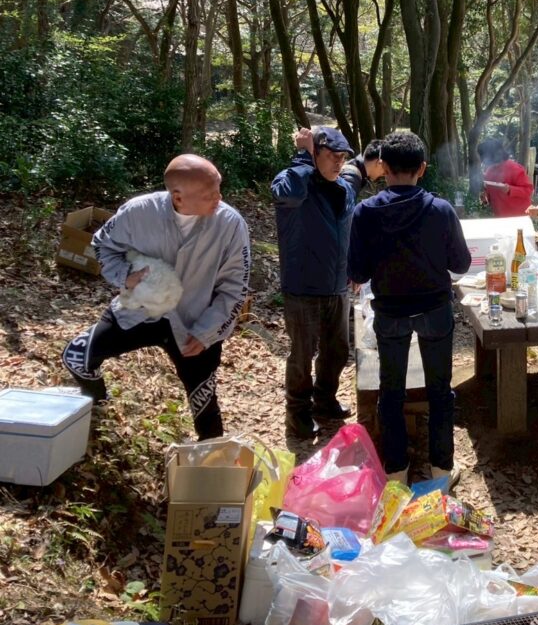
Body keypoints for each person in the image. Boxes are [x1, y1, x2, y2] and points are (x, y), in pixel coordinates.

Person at [62, 155, 250, 441]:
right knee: (76, 358)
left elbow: (235, 287)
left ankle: (210, 458)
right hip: (137, 311)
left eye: (219, 189)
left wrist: (207, 332)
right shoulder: (138, 212)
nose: (219, 198)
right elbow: (101, 244)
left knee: (204, 403)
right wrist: (124, 276)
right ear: (178, 197)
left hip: (193, 322)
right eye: (209, 194)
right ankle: (99, 412)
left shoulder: (230, 224)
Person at [348, 131, 471, 486]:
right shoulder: (440, 210)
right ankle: (441, 471)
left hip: (390, 313)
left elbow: (357, 272)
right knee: (440, 391)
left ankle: (396, 472)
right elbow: (461, 264)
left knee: (391, 393)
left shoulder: (365, 213)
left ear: (383, 167)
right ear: (422, 168)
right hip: (434, 310)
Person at [272, 127, 358, 440]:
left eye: (343, 157)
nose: (338, 162)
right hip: (303, 287)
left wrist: (353, 268)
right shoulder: (293, 180)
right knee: (302, 354)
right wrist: (302, 156)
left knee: (338, 350)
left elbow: (347, 231)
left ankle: (325, 400)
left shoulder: (344, 188)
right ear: (314, 153)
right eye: (332, 155)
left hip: (337, 285)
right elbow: (288, 194)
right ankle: (297, 414)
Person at [477, 138, 534, 217]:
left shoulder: (515, 168)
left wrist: (510, 189)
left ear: (495, 155)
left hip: (519, 216)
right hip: (500, 217)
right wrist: (485, 198)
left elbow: (528, 190)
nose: (484, 162)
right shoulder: (490, 171)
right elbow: (489, 193)